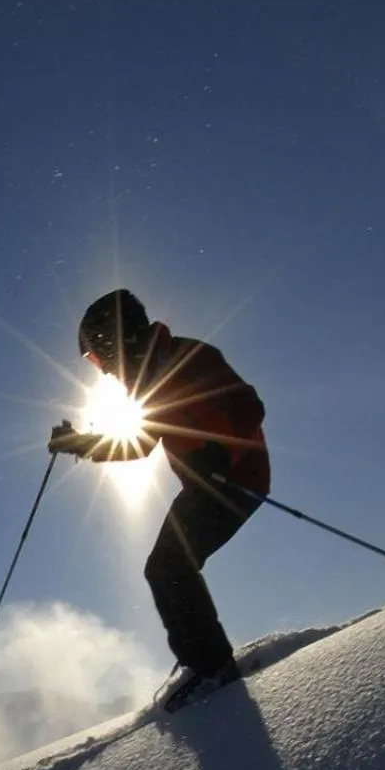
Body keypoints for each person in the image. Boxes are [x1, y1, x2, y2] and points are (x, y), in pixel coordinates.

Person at [49, 288, 270, 711]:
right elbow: (138, 445)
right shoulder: (147, 381)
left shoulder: (188, 357)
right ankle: (205, 663)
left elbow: (248, 406)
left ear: (121, 339)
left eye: (100, 354)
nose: (105, 369)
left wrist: (221, 449)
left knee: (169, 566)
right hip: (210, 485)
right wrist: (79, 443)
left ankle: (212, 669)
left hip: (237, 479)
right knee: (166, 567)